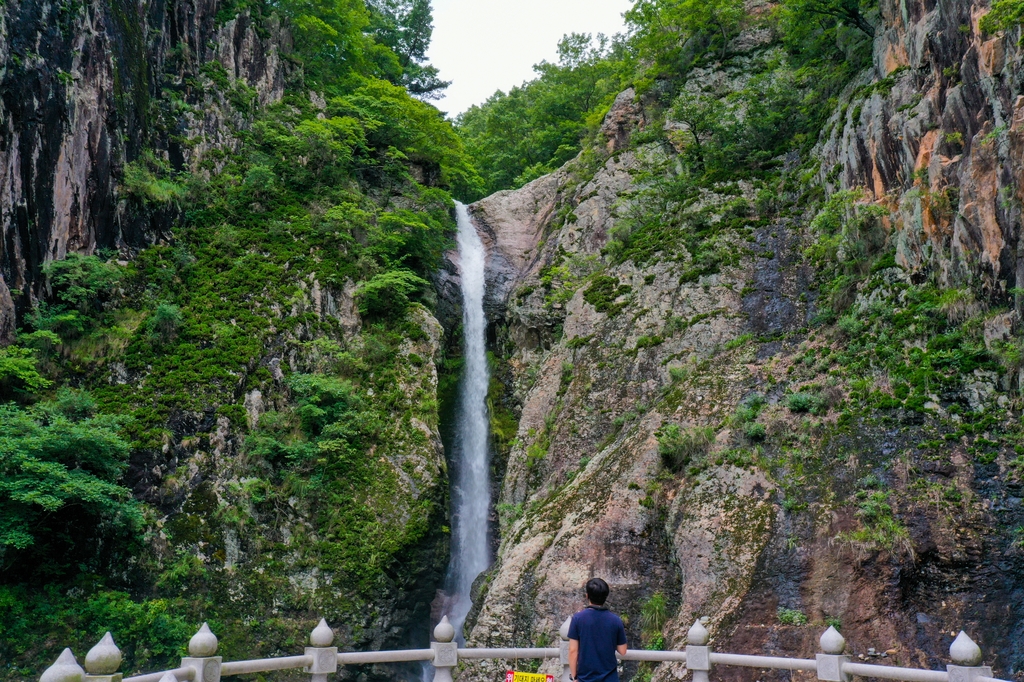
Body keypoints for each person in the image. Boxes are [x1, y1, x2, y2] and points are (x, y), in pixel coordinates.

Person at [567, 578, 628, 682]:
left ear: (587, 596)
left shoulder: (578, 619)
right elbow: (622, 651)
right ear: (605, 596)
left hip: (585, 678)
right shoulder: (616, 621)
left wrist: (574, 677)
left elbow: (573, 651)